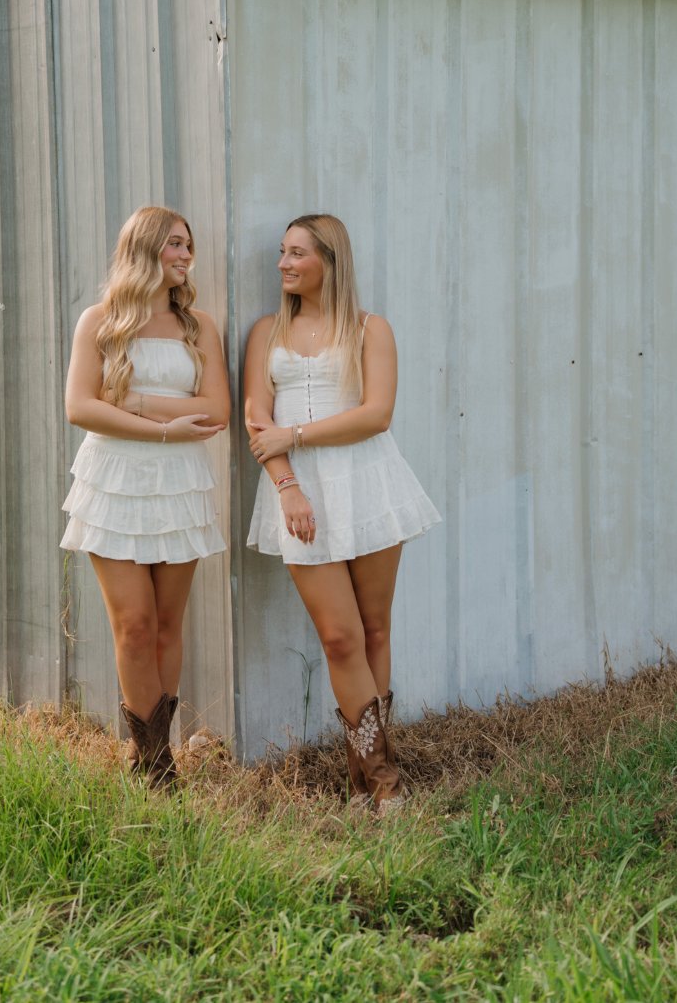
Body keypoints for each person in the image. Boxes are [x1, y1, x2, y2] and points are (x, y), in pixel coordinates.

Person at [244, 213, 440, 812]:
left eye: (296, 253)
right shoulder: (267, 332)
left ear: (330, 261)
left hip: (369, 484)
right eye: (282, 252)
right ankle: (385, 783)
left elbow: (377, 414)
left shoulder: (369, 329)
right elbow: (257, 420)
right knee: (339, 636)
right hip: (301, 493)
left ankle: (366, 785)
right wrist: (287, 486)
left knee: (374, 629)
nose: (283, 263)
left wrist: (295, 435)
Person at [63, 206, 229, 787]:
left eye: (189, 245)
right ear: (145, 249)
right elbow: (81, 407)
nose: (186, 255)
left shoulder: (198, 327)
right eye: (175, 244)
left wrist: (132, 402)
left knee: (165, 626)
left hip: (179, 482)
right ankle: (157, 767)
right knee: (133, 624)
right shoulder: (100, 321)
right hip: (114, 480)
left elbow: (217, 410)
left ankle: (149, 759)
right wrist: (162, 426)